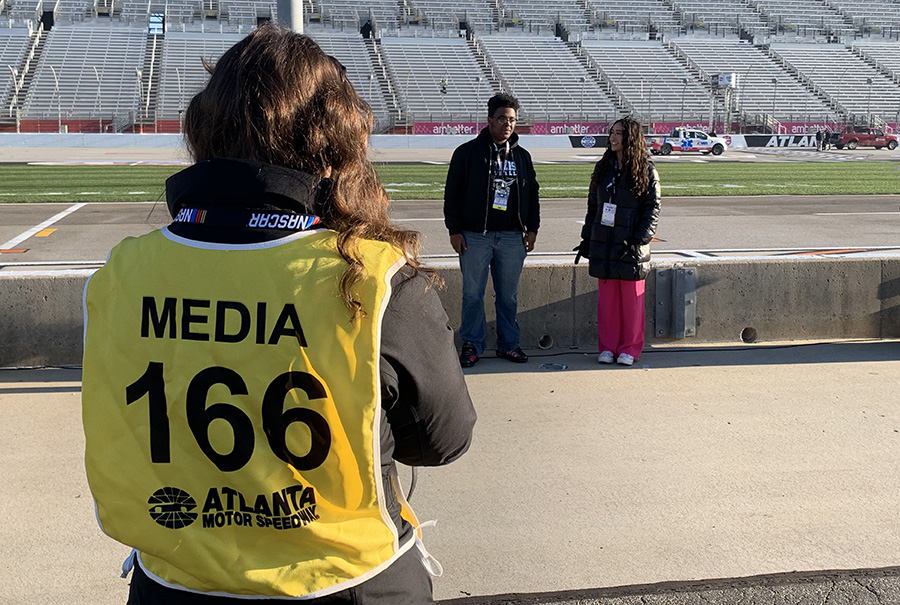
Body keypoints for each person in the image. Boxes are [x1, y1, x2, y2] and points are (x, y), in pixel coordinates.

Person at [81, 24, 476, 604]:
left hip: (175, 582)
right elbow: (444, 440)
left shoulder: (122, 272)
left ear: (205, 128)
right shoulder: (373, 277)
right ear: (338, 137)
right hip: (347, 581)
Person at [443, 93, 540, 367]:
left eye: (512, 120)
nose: (507, 125)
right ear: (489, 120)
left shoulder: (522, 156)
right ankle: (472, 343)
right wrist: (455, 230)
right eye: (502, 119)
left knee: (508, 296)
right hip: (475, 236)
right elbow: (452, 194)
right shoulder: (467, 153)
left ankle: (508, 344)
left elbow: (532, 194)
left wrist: (532, 229)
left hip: (511, 237)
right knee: (472, 294)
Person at [574, 117, 661, 366]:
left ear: (630, 138)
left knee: (632, 301)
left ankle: (630, 348)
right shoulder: (603, 168)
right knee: (608, 302)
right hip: (605, 242)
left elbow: (652, 208)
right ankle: (607, 347)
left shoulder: (646, 169)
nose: (612, 137)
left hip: (630, 245)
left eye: (619, 133)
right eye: (611, 132)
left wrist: (639, 240)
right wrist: (588, 238)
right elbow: (593, 205)